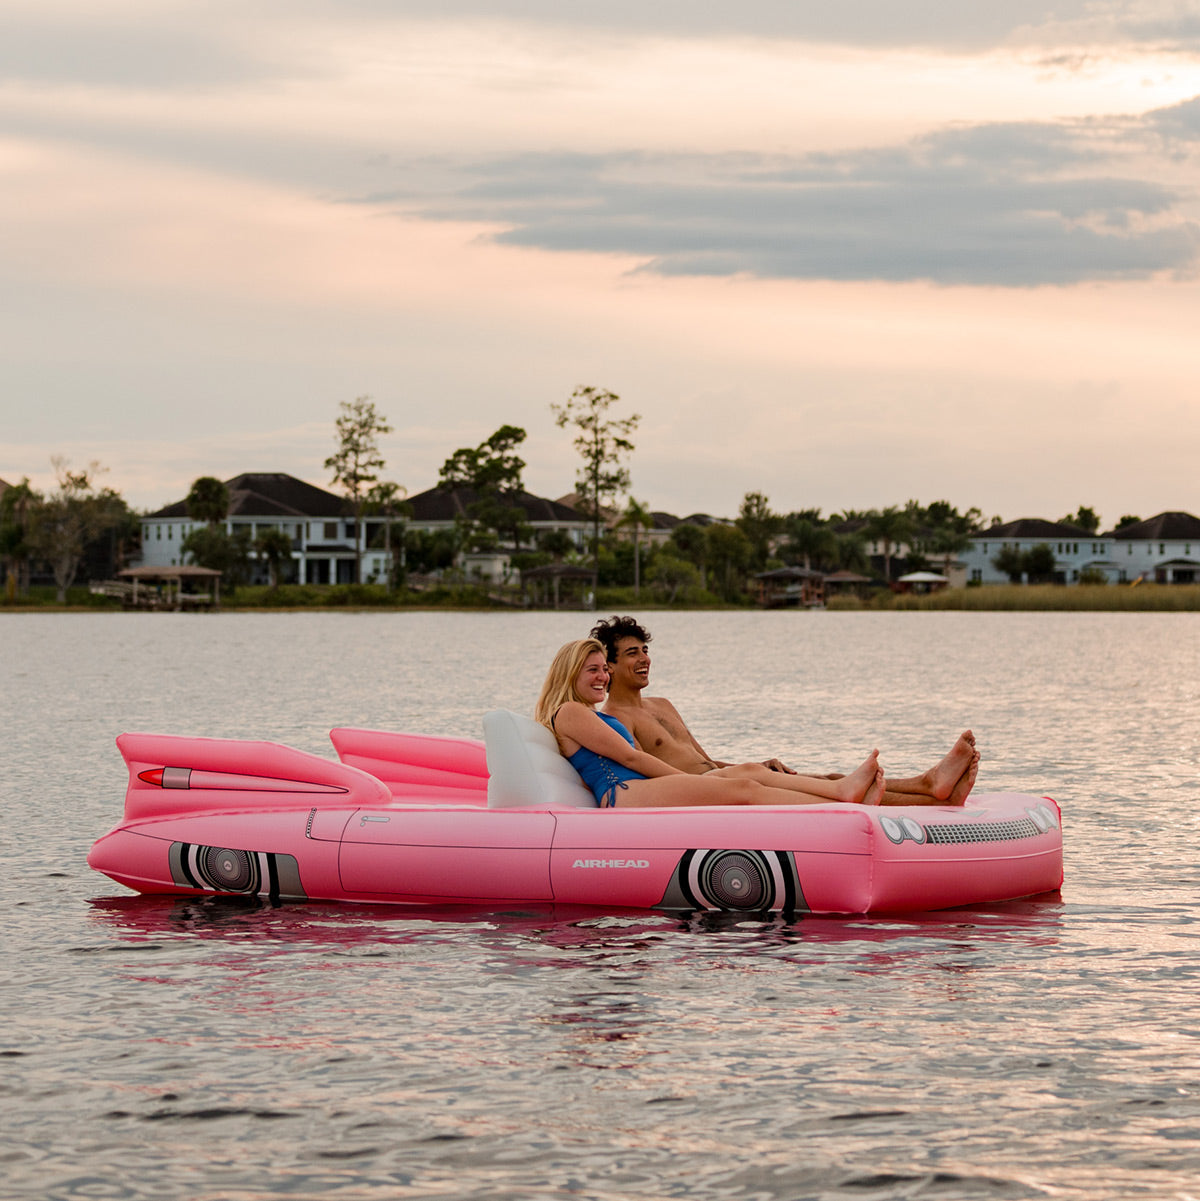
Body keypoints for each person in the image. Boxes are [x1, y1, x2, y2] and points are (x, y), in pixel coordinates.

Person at [590, 615, 979, 807]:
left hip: (720, 773)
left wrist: (753, 764)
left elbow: (702, 759)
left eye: (645, 651)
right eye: (631, 654)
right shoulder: (616, 719)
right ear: (609, 664)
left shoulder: (662, 705)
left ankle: (930, 786)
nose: (644, 660)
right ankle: (934, 797)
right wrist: (728, 779)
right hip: (708, 789)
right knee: (830, 790)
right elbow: (655, 775)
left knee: (825, 776)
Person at [535, 639, 887, 808]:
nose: (603, 677)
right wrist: (691, 781)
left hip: (639, 789)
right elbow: (631, 759)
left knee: (750, 770)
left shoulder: (583, 712)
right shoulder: (570, 712)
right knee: (743, 790)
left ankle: (841, 791)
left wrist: (705, 776)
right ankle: (839, 810)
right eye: (592, 670)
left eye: (604, 669)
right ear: (570, 674)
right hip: (626, 794)